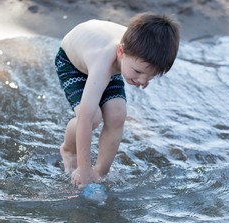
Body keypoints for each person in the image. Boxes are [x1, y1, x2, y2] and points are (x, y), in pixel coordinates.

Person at [55, 13, 180, 187]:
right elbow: (85, 117)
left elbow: (137, 67)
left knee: (118, 114)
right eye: (138, 72)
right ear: (121, 52)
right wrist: (83, 169)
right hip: (73, 65)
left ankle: (101, 172)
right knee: (93, 117)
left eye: (150, 76)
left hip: (112, 64)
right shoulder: (104, 62)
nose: (143, 81)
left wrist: (95, 174)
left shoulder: (136, 53)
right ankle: (68, 150)